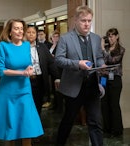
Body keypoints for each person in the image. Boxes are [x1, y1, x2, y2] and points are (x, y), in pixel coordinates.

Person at [54, 6, 106, 146]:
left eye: (89, 21)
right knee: (68, 120)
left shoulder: (95, 38)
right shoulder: (65, 39)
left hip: (92, 86)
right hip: (73, 87)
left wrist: (101, 65)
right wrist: (78, 64)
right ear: (76, 20)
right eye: (83, 20)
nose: (87, 24)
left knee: (95, 121)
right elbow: (58, 59)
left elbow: (99, 57)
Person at [0, 19, 44, 146]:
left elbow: (29, 63)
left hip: (24, 89)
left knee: (27, 125)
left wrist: (30, 68)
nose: (20, 31)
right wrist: (22, 73)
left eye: (21, 28)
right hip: (8, 91)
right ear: (9, 31)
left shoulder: (25, 45)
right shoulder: (3, 46)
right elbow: (1, 71)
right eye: (16, 28)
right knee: (10, 125)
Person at [25, 25, 60, 116]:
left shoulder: (42, 47)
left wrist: (56, 77)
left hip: (39, 79)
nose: (31, 35)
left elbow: (51, 63)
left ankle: (36, 125)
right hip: (25, 80)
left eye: (33, 32)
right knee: (26, 105)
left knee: (38, 104)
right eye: (28, 32)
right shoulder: (21, 47)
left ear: (36, 34)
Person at [101, 28, 125, 138]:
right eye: (108, 36)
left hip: (115, 79)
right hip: (104, 78)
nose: (110, 38)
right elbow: (101, 61)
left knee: (114, 104)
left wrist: (103, 50)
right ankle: (107, 128)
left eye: (112, 36)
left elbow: (112, 60)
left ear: (117, 36)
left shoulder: (121, 49)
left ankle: (117, 130)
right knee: (104, 103)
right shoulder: (105, 48)